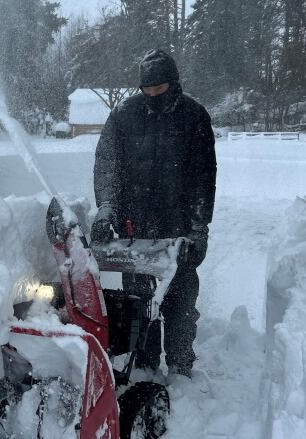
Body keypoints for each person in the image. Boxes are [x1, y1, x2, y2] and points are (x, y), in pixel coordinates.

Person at [91, 49, 217, 377]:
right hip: (137, 230)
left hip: (179, 231)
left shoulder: (194, 116)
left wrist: (198, 230)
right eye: (147, 90)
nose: (153, 96)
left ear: (173, 84)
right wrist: (107, 208)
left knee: (180, 301)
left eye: (160, 89)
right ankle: (145, 366)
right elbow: (108, 166)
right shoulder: (123, 115)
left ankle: (179, 364)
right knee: (140, 300)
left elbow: (204, 178)